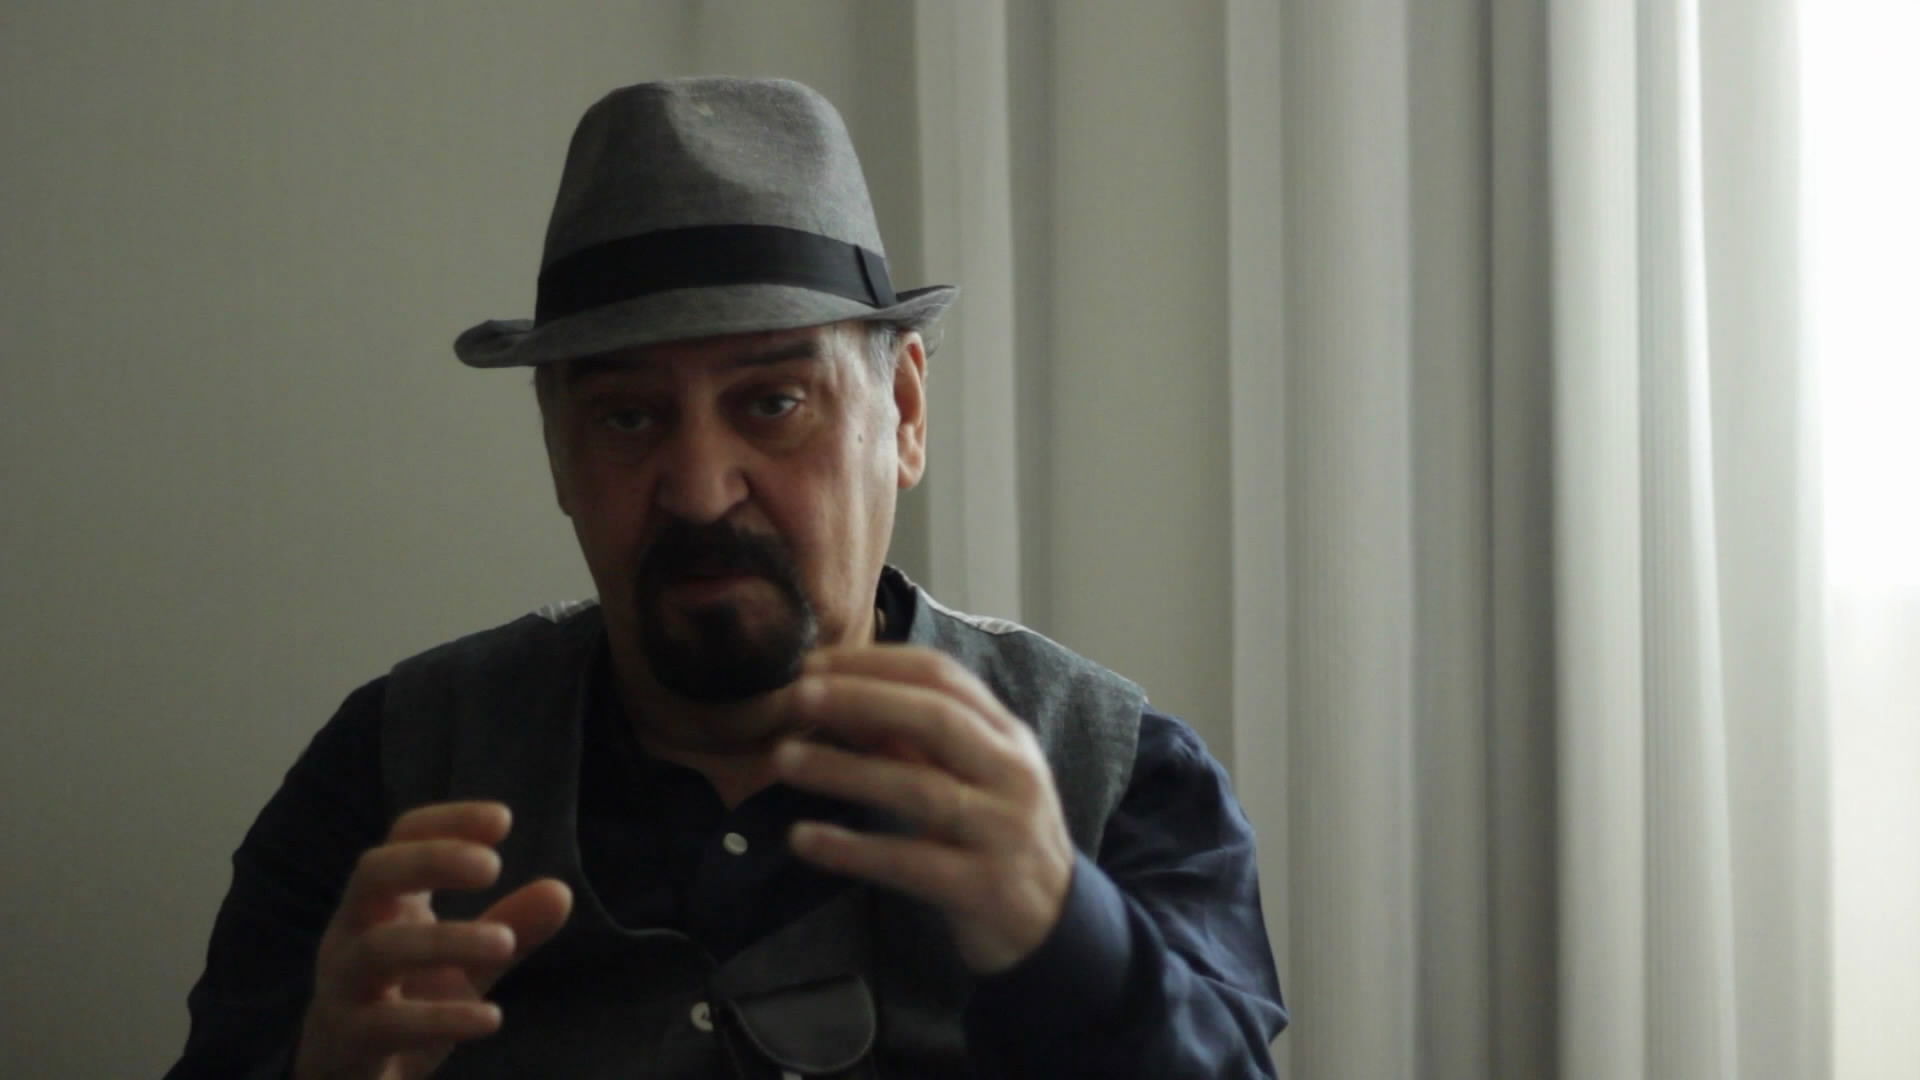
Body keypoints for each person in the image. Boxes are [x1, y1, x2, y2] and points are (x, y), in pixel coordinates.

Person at [165, 76, 1286, 1079]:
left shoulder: (1122, 779)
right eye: (629, 416)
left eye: (772, 402)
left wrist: (1066, 933)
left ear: (903, 412)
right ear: (558, 450)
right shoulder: (387, 778)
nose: (700, 491)